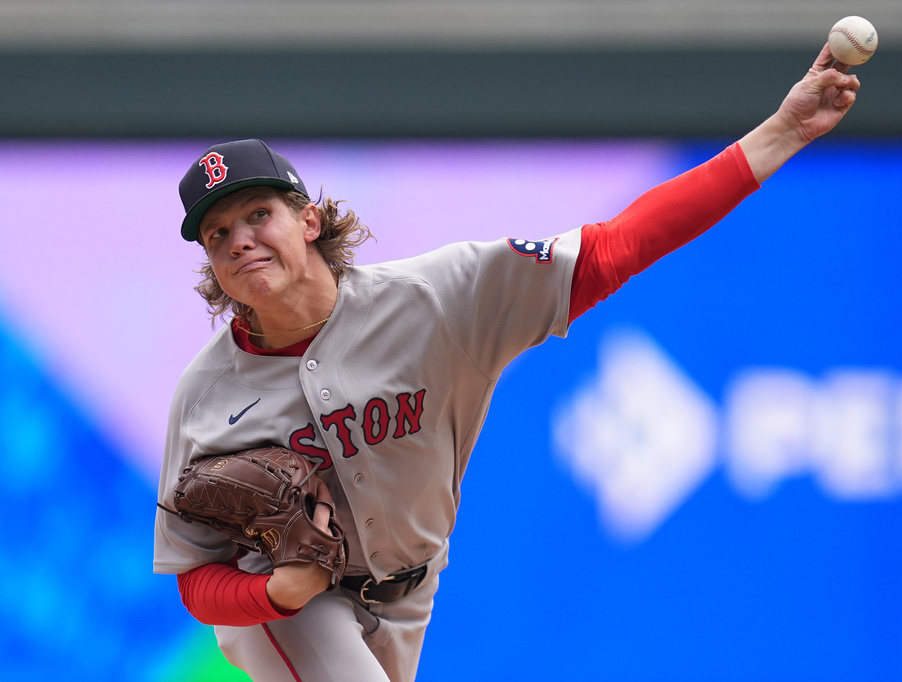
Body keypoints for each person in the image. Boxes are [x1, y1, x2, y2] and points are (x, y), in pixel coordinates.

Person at [154, 44, 861, 682]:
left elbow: (617, 248)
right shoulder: (208, 393)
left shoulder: (440, 298)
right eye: (218, 235)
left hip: (411, 594)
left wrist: (784, 132)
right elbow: (194, 574)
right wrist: (271, 594)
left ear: (307, 220)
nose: (240, 240)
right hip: (290, 610)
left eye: (257, 215)